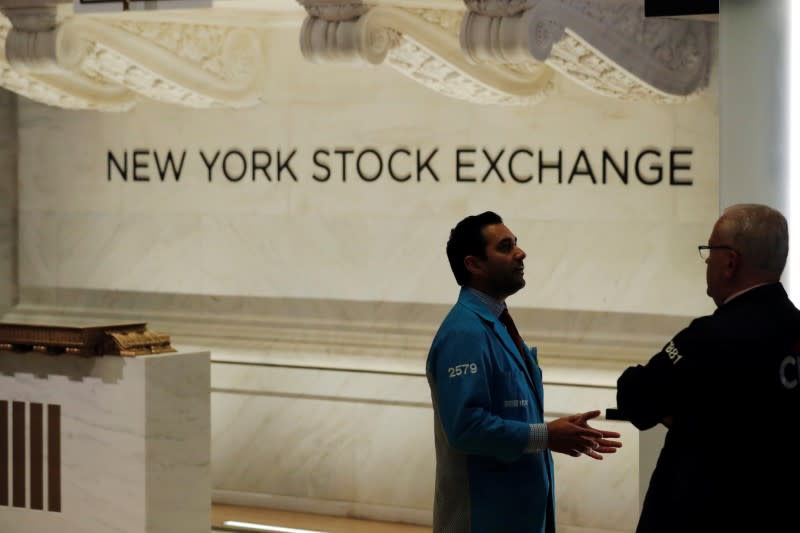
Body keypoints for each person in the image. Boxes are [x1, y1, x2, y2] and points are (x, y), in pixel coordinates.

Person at [426, 211, 622, 533]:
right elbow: (466, 427)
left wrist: (557, 433)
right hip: (483, 520)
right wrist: (546, 435)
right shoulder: (464, 333)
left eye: (516, 243)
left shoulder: (495, 323)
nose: (521, 253)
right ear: (473, 264)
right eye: (505, 247)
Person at [617, 203, 800, 533]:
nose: (706, 260)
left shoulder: (708, 338)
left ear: (730, 262)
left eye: (709, 250)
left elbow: (636, 397)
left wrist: (685, 412)